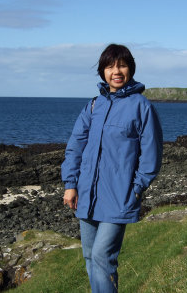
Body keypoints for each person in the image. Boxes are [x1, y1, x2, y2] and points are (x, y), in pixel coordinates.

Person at [61, 43, 163, 292]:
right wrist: (71, 184)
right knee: (89, 257)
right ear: (102, 71)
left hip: (119, 196)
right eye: (109, 66)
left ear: (131, 69)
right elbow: (75, 147)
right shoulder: (93, 106)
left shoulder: (142, 107)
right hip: (87, 194)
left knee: (102, 257)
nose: (116, 71)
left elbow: (151, 156)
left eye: (122, 65)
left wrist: (136, 190)